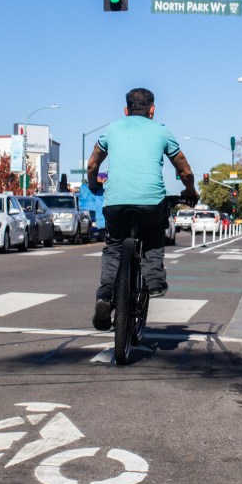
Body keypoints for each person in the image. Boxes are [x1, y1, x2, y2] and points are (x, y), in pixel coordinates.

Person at [86, 88, 198, 331]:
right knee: (153, 238)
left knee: (115, 247)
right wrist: (190, 189)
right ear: (152, 110)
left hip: (116, 202)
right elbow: (184, 169)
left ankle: (105, 295)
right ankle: (155, 281)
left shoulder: (112, 129)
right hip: (150, 203)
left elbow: (93, 163)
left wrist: (94, 184)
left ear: (126, 110)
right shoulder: (161, 131)